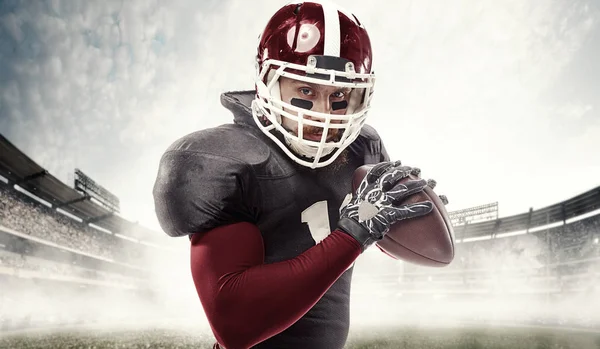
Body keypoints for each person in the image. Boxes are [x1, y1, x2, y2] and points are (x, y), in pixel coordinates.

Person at [153, 2, 441, 348]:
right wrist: (352, 234)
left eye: (339, 96)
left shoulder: (362, 149)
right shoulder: (230, 161)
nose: (323, 114)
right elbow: (234, 324)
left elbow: (376, 231)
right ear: (267, 84)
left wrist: (405, 211)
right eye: (305, 91)